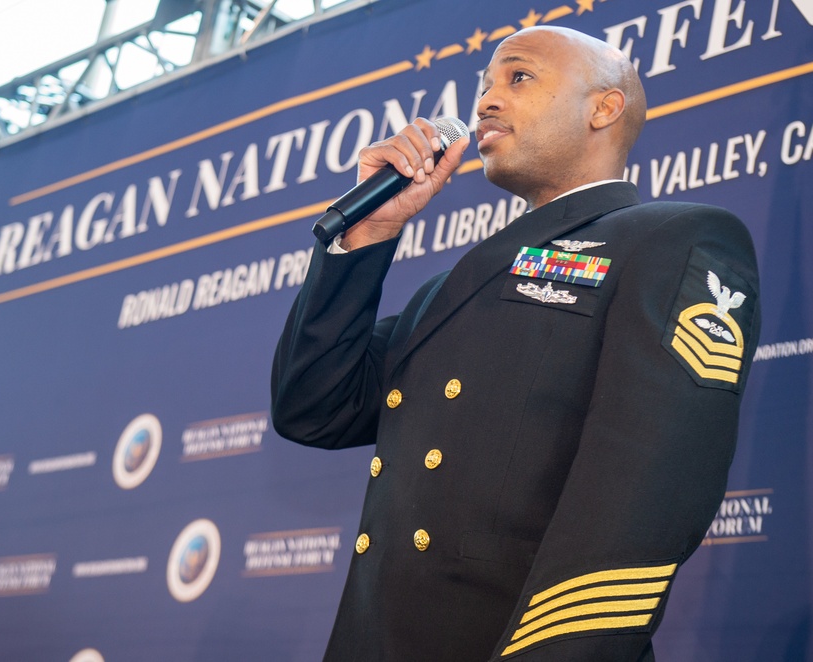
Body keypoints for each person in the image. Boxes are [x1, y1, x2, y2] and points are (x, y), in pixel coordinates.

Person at [271, 25, 760, 661]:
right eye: (484, 86)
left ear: (603, 108)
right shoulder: (451, 287)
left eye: (518, 77)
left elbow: (645, 497)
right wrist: (365, 235)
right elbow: (314, 406)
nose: (485, 102)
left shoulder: (676, 238)